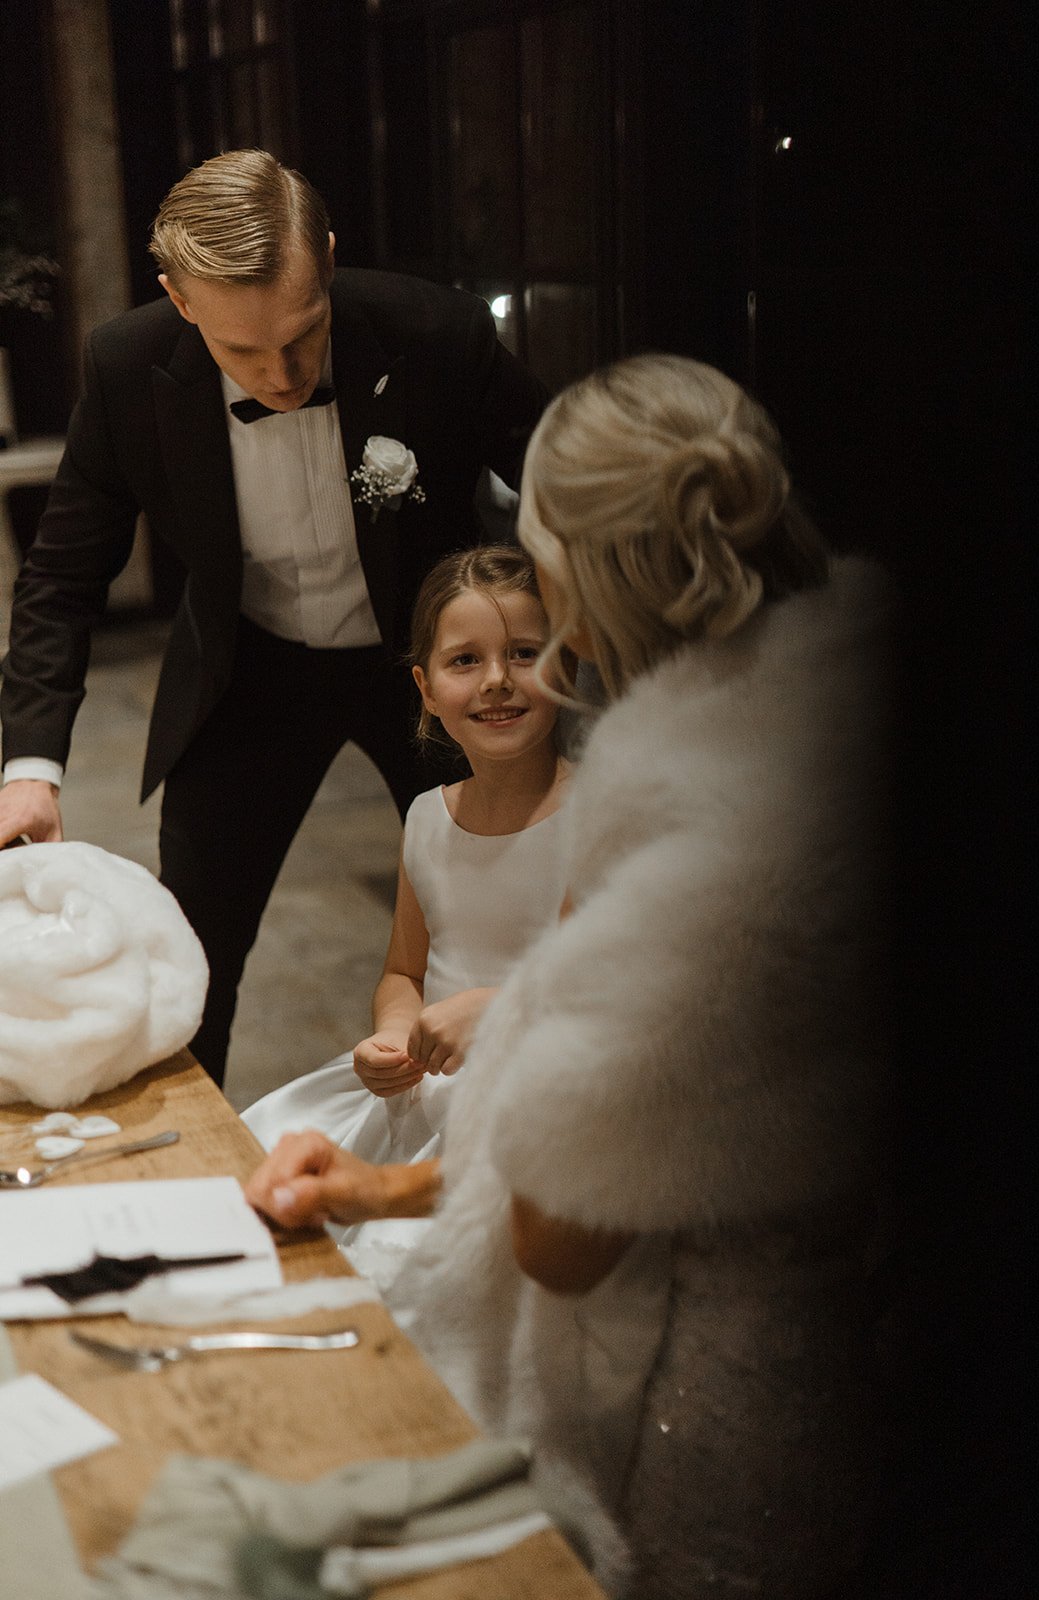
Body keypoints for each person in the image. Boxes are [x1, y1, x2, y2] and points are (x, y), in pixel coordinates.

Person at [244, 354, 901, 1597]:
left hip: (701, 1393)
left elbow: (561, 1230)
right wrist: (383, 1185)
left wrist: (512, 1044)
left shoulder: (694, 856)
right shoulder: (848, 722)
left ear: (589, 585)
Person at [0, 149, 545, 1086]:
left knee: (499, 924)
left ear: (326, 258)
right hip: (248, 669)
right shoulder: (126, 365)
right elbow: (60, 577)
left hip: (430, 671)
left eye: (302, 334)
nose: (283, 376)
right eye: (242, 353)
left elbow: (569, 486)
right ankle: (192, 1158)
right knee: (189, 952)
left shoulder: (434, 330)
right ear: (179, 302)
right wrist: (29, 770)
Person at [243, 544, 570, 1287]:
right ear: (425, 688)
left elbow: (617, 991)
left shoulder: (598, 811)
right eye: (465, 661)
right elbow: (404, 970)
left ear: (568, 664)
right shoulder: (427, 819)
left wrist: (501, 1009)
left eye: (524, 653)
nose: (496, 680)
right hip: (428, 1095)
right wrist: (395, 1032)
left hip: (533, 1101)